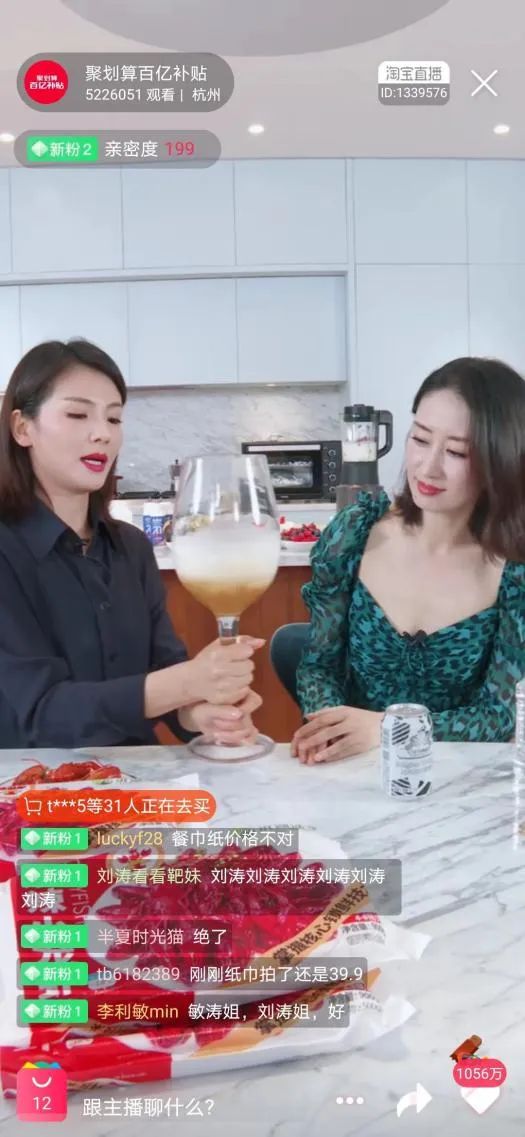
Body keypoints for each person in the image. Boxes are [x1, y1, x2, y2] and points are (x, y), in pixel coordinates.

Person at [0, 339, 264, 749]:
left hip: (137, 778)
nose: (102, 434)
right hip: (35, 782)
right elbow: (42, 713)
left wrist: (201, 715)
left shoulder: (131, 547)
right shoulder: (7, 551)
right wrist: (187, 682)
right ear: (22, 428)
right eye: (77, 414)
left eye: (114, 418)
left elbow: (163, 669)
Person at [292, 356, 525, 764]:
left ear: (500, 462)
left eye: (457, 452)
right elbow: (318, 668)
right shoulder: (355, 534)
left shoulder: (514, 570)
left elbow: (498, 716)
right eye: (420, 439)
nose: (428, 468)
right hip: (354, 770)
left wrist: (388, 728)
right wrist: (329, 727)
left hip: (459, 778)